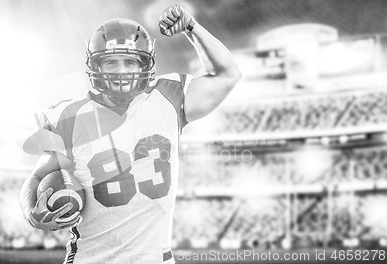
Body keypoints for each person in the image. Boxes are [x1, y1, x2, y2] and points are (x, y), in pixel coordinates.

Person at [20, 4, 241, 264]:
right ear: (95, 65)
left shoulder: (168, 97)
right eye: (111, 62)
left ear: (146, 64)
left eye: (130, 62)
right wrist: (30, 211)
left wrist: (192, 28)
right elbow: (37, 176)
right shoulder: (66, 116)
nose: (121, 71)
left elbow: (227, 74)